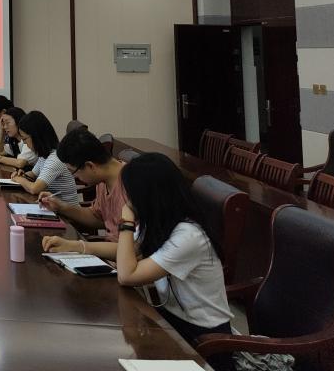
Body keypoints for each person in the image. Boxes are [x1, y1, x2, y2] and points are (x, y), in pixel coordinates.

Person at [115, 152, 232, 369]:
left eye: (132, 195)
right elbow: (126, 255)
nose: (129, 202)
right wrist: (78, 246)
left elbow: (126, 275)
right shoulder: (160, 222)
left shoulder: (188, 235)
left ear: (148, 196)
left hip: (205, 341)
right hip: (171, 323)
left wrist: (126, 221)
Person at [40, 128, 127, 258]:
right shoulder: (102, 180)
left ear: (90, 166)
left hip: (126, 263)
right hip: (111, 256)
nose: (75, 178)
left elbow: (133, 250)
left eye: (73, 172)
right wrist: (61, 207)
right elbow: (98, 218)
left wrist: (77, 246)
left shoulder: (131, 185)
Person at [8, 110, 79, 203]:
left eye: (25, 139)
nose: (24, 143)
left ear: (37, 137)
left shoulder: (55, 159)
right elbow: (33, 174)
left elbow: (34, 189)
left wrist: (19, 179)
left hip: (64, 211)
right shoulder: (45, 155)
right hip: (52, 206)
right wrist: (23, 175)